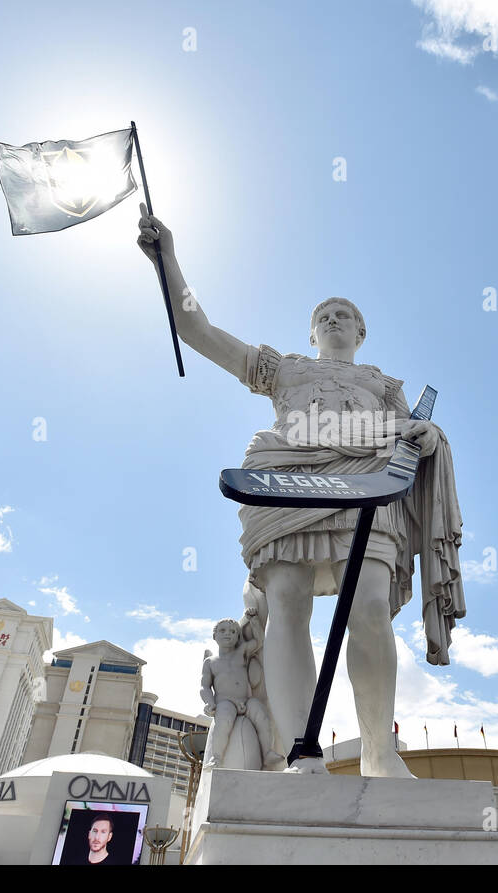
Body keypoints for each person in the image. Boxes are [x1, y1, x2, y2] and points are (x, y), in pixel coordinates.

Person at [138, 205, 466, 777]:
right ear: (310, 331)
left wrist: (428, 433)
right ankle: (300, 753)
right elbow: (199, 331)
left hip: (367, 485)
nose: (335, 319)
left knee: (368, 607)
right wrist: (167, 260)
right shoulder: (280, 368)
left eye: (345, 314)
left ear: (361, 333)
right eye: (325, 314)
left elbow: (409, 439)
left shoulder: (385, 387)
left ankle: (378, 753)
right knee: (286, 602)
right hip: (284, 480)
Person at [201, 618, 285, 770]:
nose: (228, 634)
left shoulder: (241, 652)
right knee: (224, 721)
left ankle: (267, 752)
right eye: (223, 631)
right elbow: (204, 686)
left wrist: (253, 621)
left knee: (262, 715)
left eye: (233, 632)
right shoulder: (210, 662)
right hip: (224, 702)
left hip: (245, 701)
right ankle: (217, 757)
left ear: (238, 637)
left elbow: (259, 641)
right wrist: (209, 703)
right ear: (214, 636)